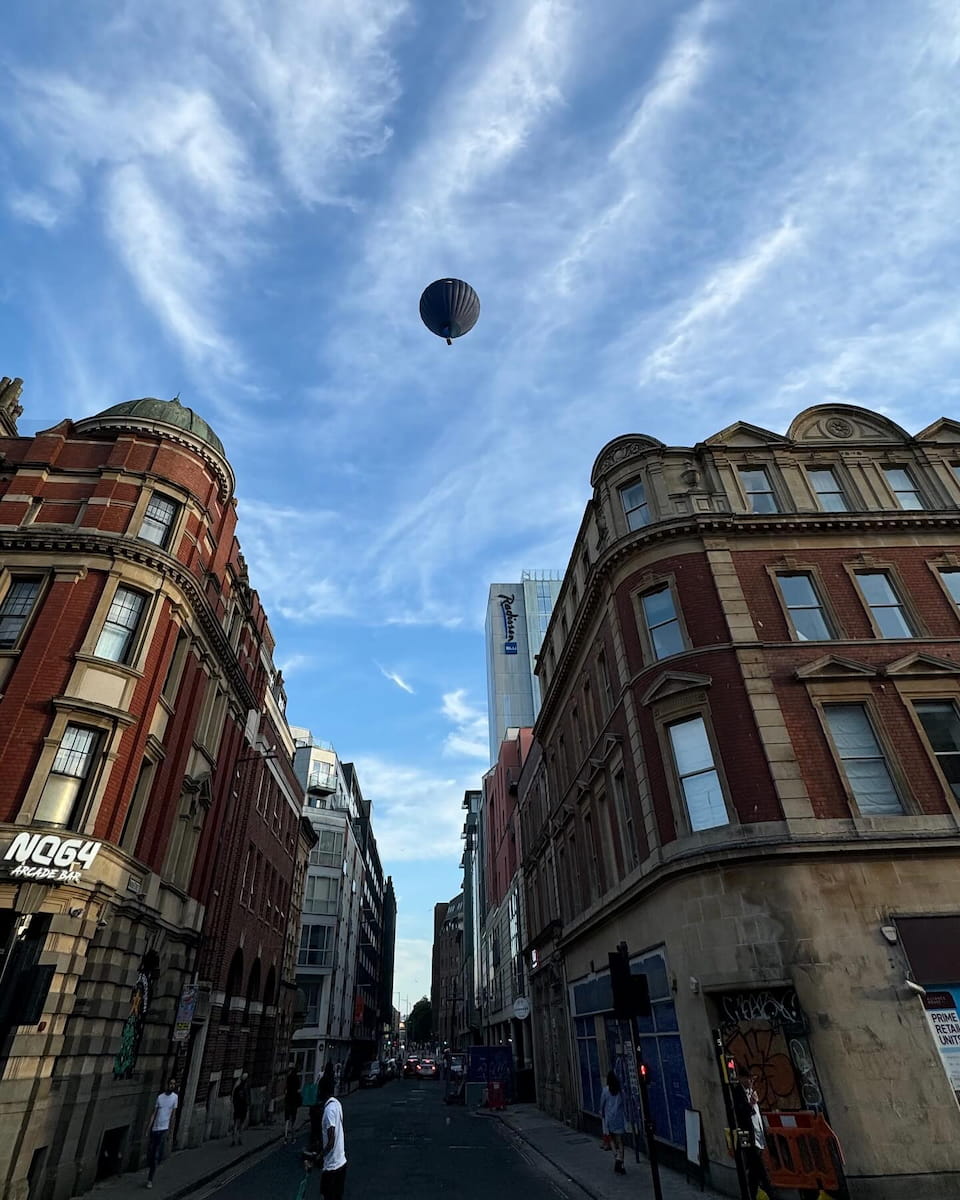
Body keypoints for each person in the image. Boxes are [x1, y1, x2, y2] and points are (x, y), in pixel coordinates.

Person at [732, 1065, 778, 1200]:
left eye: (752, 1079)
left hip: (758, 1136)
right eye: (748, 1079)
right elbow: (740, 1114)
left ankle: (750, 1195)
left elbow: (757, 1114)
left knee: (753, 1173)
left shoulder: (752, 1092)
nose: (751, 1082)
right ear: (741, 1079)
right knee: (762, 1171)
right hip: (749, 1138)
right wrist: (751, 1104)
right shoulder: (737, 1093)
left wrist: (764, 1131)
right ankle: (772, 1196)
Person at [316, 1070, 347, 1198]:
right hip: (341, 1161)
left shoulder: (329, 1111)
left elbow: (331, 1140)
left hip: (332, 1166)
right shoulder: (337, 1104)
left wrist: (320, 1156)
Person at [145, 1078, 178, 1189]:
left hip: (164, 1129)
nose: (172, 1086)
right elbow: (154, 1114)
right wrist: (148, 1128)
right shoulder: (160, 1097)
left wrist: (171, 1131)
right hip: (155, 1129)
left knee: (156, 1155)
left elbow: (173, 1115)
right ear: (167, 1084)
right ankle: (153, 1167)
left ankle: (150, 1179)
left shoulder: (175, 1098)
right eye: (170, 1084)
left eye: (174, 1084)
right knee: (151, 1153)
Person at [599, 1070, 627, 1175]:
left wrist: (601, 1112)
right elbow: (624, 1102)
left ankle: (616, 1157)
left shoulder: (605, 1091)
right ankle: (622, 1162)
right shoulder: (620, 1091)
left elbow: (602, 1103)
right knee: (620, 1141)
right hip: (619, 1118)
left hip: (609, 1118)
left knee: (611, 1139)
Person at [284, 1064, 302, 1144]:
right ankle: (292, 1137)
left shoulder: (288, 1078)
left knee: (287, 1119)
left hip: (288, 1099)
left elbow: (286, 1088)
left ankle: (285, 1137)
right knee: (293, 1120)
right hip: (294, 1101)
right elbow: (298, 1090)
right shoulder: (297, 1079)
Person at [231, 1072, 250, 1146]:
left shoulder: (237, 1088)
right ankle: (239, 1139)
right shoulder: (246, 1088)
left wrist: (235, 1106)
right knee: (241, 1124)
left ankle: (233, 1139)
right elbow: (247, 1099)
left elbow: (234, 1098)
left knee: (236, 1123)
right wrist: (248, 1107)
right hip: (243, 1108)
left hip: (237, 1108)